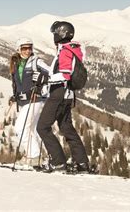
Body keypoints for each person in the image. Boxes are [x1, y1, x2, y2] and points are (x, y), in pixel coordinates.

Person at [35, 21, 90, 173]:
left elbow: (65, 75)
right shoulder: (73, 50)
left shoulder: (65, 51)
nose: (53, 36)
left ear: (61, 34)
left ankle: (58, 162)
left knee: (42, 127)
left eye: (55, 34)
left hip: (59, 94)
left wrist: (45, 80)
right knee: (67, 129)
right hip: (68, 95)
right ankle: (82, 163)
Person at [8, 37, 50, 167]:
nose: (27, 50)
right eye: (24, 48)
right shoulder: (16, 63)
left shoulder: (36, 61)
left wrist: (43, 77)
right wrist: (15, 96)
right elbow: (17, 83)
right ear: (18, 49)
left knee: (20, 128)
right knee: (31, 130)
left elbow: (51, 73)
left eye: (29, 48)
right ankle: (36, 157)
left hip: (35, 99)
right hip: (23, 101)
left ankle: (33, 156)